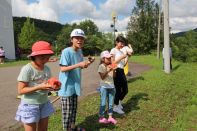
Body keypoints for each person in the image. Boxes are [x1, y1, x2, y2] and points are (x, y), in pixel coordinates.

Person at [15, 41, 58, 131]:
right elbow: (20, 90)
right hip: (30, 106)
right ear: (34, 56)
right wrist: (38, 87)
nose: (45, 60)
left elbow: (48, 83)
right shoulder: (27, 69)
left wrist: (54, 86)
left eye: (47, 57)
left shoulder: (46, 68)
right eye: (42, 57)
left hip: (44, 103)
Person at [58, 29, 93, 131]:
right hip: (66, 86)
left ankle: (72, 128)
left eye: (82, 38)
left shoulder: (80, 51)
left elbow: (81, 66)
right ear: (71, 39)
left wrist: (88, 63)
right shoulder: (66, 51)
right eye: (77, 38)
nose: (79, 40)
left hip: (75, 85)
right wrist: (79, 64)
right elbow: (63, 69)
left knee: (73, 110)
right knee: (67, 112)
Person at [110, 35, 129, 114]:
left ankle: (118, 102)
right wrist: (122, 57)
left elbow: (124, 64)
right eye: (121, 43)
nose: (122, 45)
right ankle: (115, 107)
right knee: (118, 90)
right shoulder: (113, 50)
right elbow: (112, 63)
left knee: (125, 90)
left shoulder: (121, 52)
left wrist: (127, 57)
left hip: (121, 71)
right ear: (116, 42)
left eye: (123, 43)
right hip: (116, 71)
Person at [97, 50, 117, 124]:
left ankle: (110, 117)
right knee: (103, 102)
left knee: (111, 103)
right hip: (104, 87)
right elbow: (102, 77)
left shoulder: (111, 65)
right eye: (107, 58)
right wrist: (108, 70)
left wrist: (114, 70)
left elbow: (114, 76)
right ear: (103, 59)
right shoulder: (101, 66)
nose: (109, 59)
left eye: (110, 58)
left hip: (112, 87)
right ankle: (101, 117)